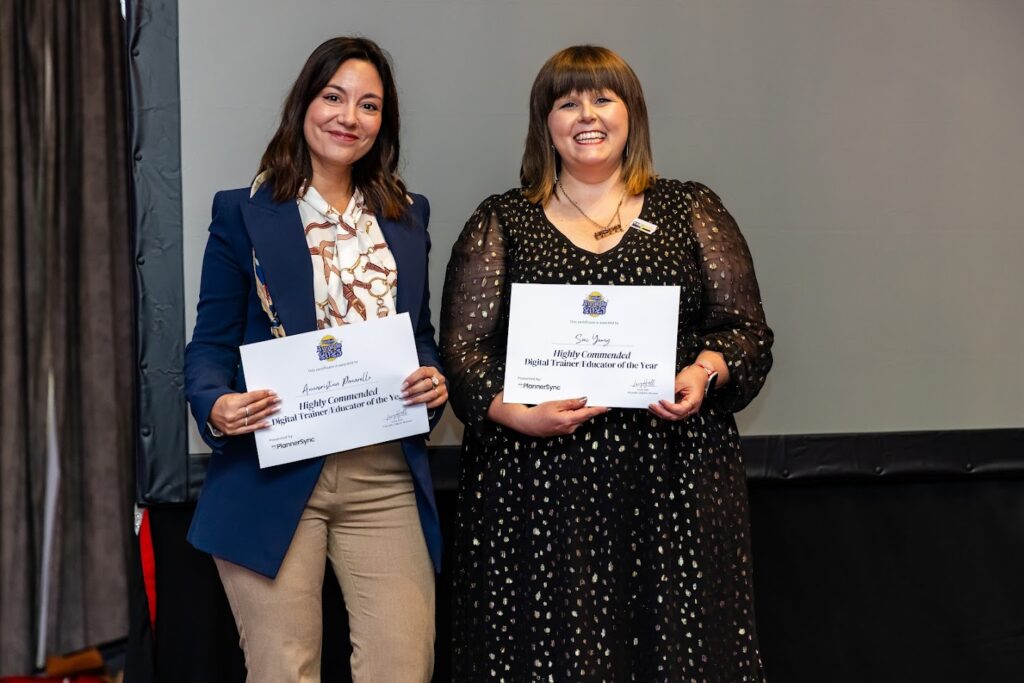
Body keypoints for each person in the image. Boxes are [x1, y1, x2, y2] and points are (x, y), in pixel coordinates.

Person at [441, 45, 773, 681]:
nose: (585, 115)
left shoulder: (690, 209)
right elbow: (463, 352)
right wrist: (515, 412)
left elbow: (746, 333)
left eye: (602, 98)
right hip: (535, 485)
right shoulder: (503, 220)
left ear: (632, 115)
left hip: (672, 479)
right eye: (567, 102)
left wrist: (703, 373)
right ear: (545, 122)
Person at [184, 37, 445, 682]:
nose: (348, 117)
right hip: (273, 469)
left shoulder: (408, 217)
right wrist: (216, 403)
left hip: (382, 475)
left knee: (403, 665)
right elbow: (210, 344)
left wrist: (432, 378)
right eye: (333, 97)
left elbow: (421, 337)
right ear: (304, 103)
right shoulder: (244, 212)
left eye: (369, 105)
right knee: (284, 669)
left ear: (384, 123)